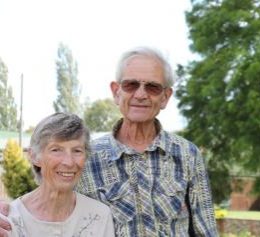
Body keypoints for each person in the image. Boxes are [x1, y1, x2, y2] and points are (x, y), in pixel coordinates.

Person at [0, 47, 217, 236]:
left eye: (152, 87)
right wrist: (6, 211)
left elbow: (205, 230)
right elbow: (46, 203)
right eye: (131, 85)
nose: (141, 94)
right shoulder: (85, 156)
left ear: (165, 97)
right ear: (116, 91)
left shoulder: (187, 154)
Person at [1, 113, 114, 237]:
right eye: (56, 150)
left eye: (77, 151)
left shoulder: (100, 216)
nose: (69, 162)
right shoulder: (9, 220)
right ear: (34, 156)